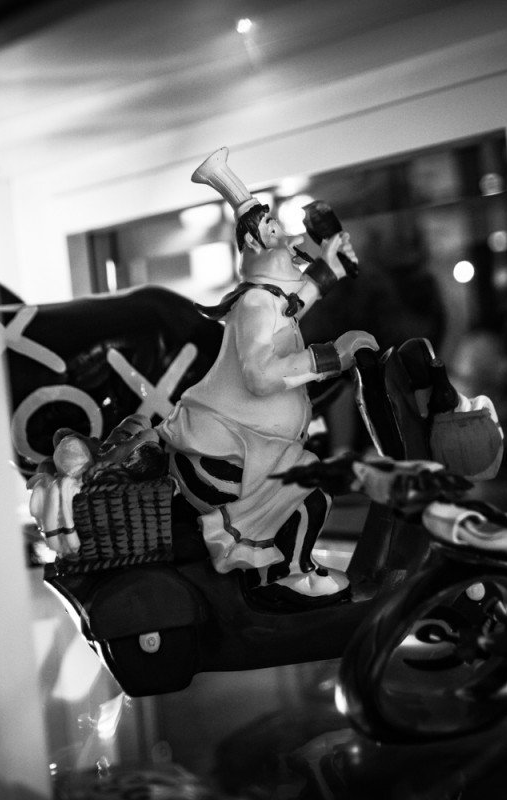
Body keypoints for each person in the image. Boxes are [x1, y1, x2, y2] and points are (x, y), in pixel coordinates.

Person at [157, 147, 376, 609]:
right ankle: (282, 579)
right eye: (275, 231)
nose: (290, 238)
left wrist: (332, 267)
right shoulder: (256, 303)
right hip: (224, 453)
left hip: (248, 444)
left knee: (312, 490)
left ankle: (290, 571)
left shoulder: (268, 299)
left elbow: (296, 301)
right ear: (255, 246)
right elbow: (259, 376)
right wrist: (332, 356)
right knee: (310, 493)